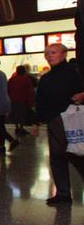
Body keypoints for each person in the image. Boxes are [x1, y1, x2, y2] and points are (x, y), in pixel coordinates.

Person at [33, 43, 84, 205]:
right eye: (47, 53)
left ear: (64, 54)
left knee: (78, 155)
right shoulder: (46, 78)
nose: (49, 56)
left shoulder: (76, 72)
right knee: (58, 156)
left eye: (53, 52)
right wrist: (36, 121)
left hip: (75, 120)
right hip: (56, 121)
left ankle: (63, 193)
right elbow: (40, 101)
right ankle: (63, 193)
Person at [7, 65, 34, 135]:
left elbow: (8, 90)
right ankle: (21, 128)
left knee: (15, 114)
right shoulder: (26, 79)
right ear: (24, 71)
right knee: (22, 115)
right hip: (23, 100)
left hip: (13, 100)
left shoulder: (12, 79)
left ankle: (17, 128)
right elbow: (30, 91)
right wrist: (31, 102)